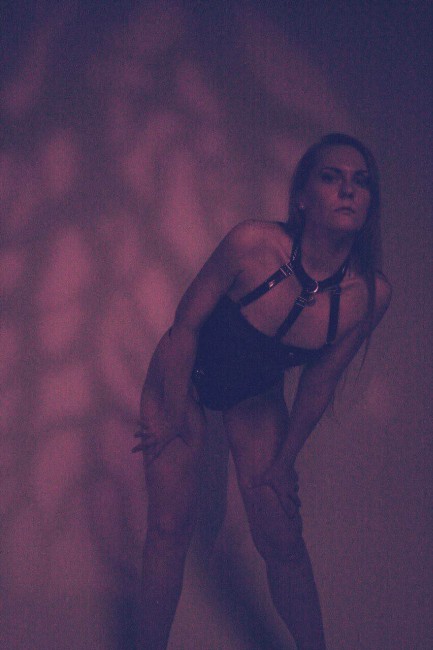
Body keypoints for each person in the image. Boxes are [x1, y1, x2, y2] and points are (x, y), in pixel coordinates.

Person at [132, 133, 392, 650]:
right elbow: (185, 326)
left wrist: (283, 462)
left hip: (255, 396)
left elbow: (319, 384)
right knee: (168, 528)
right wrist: (173, 411)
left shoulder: (369, 294)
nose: (348, 190)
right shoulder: (252, 244)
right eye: (331, 177)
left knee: (282, 535)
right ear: (302, 197)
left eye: (360, 182)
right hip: (182, 373)